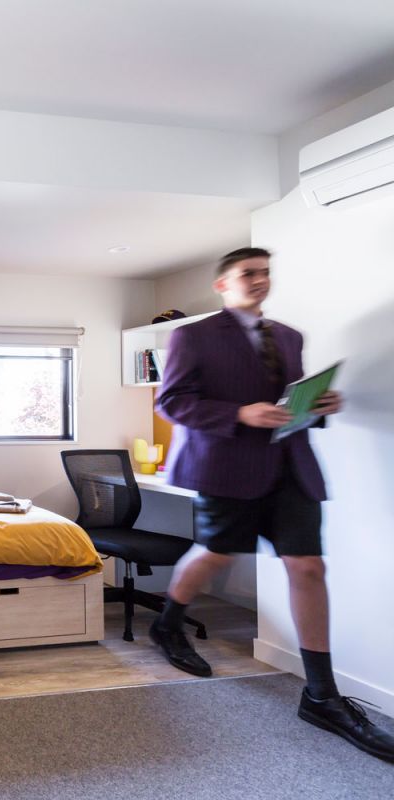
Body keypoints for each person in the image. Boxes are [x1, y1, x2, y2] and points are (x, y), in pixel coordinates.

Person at [151, 247, 394, 762]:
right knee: (216, 556)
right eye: (248, 273)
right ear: (223, 284)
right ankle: (169, 622)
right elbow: (171, 402)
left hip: (291, 468)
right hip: (226, 467)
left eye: (265, 272)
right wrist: (241, 412)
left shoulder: (288, 336)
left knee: (308, 568)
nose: (260, 280)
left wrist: (317, 407)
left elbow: (287, 403)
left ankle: (322, 695)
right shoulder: (191, 336)